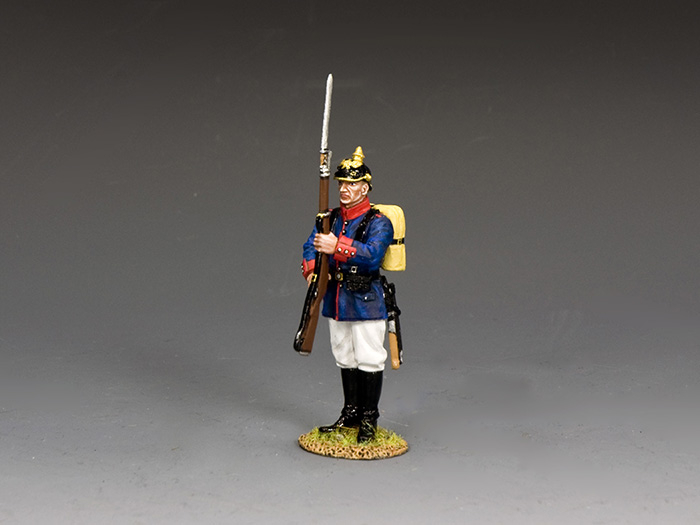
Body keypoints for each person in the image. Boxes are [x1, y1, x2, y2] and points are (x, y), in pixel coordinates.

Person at [301, 146, 394, 443]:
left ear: (364, 188)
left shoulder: (379, 221)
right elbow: (310, 246)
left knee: (369, 358)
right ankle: (351, 413)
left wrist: (337, 246)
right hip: (336, 299)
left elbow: (372, 255)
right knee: (344, 355)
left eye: (351, 184)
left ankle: (368, 419)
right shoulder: (330, 217)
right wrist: (313, 271)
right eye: (341, 183)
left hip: (365, 299)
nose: (344, 189)